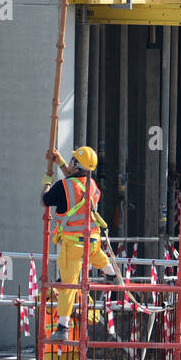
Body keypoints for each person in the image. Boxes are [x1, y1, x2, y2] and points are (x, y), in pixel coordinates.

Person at [40, 145, 116, 342]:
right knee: (97, 255)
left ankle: (62, 327)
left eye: (73, 160)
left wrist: (47, 182)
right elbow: (74, 183)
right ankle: (111, 274)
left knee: (68, 285)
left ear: (77, 164)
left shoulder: (61, 186)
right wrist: (60, 162)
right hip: (92, 240)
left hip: (73, 245)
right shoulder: (92, 187)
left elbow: (45, 200)